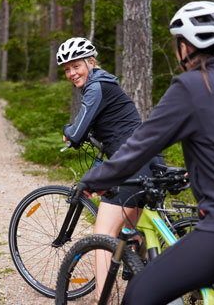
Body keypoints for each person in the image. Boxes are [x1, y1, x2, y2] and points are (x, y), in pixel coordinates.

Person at [80, 1, 214, 304]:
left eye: (177, 43)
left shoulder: (191, 86)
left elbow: (141, 144)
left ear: (186, 46)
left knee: (140, 292)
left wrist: (95, 178)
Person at [56, 37, 164, 298]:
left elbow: (78, 129)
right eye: (67, 69)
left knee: (103, 233)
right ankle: (140, 265)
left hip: (132, 166)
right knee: (130, 231)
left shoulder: (96, 87)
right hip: (146, 160)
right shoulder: (103, 83)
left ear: (90, 62)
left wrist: (68, 133)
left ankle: (101, 300)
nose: (71, 73)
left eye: (76, 66)